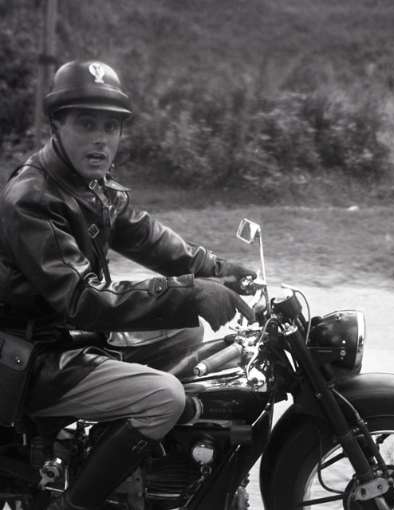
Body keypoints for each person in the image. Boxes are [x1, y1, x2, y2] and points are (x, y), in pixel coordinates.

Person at [0, 60, 256, 510]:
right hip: (34, 356)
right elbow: (81, 298)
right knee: (165, 398)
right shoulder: (34, 198)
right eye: (87, 123)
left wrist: (216, 269)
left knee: (187, 331)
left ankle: (135, 455)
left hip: (67, 336)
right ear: (57, 125)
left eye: (111, 126)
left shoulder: (91, 186)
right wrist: (189, 292)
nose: (102, 138)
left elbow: (148, 238)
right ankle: (74, 502)